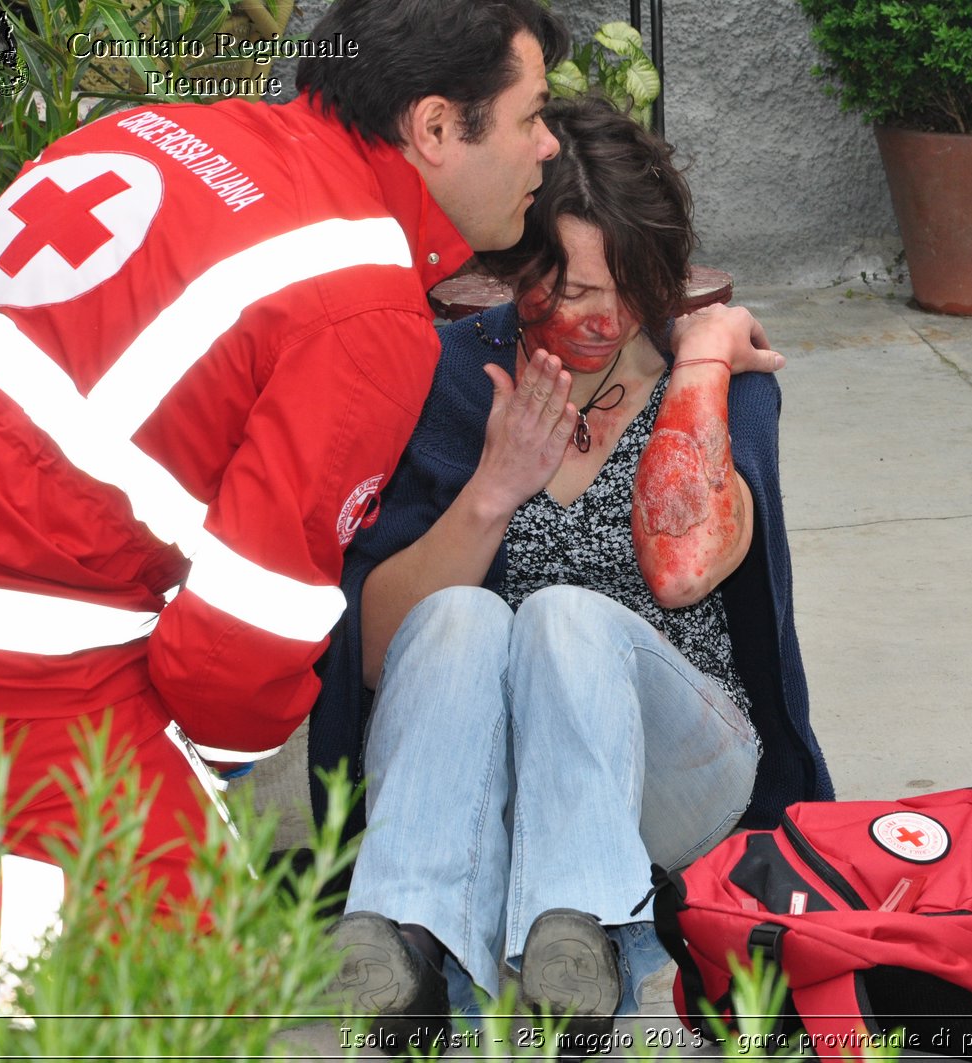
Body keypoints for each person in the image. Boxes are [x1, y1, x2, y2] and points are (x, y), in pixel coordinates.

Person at [0, 0, 568, 905]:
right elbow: (234, 654)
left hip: (2, 580)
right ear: (435, 127)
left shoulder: (162, 130)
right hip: (5, 635)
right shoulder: (361, 310)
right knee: (167, 982)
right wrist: (212, 778)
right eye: (532, 114)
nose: (547, 145)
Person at [305, 96, 833, 1048]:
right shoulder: (449, 377)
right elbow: (376, 653)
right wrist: (491, 491)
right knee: (463, 618)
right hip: (480, 780)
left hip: (679, 767)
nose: (598, 317)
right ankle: (404, 947)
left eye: (624, 285)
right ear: (513, 270)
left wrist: (705, 359)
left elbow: (683, 572)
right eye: (566, 286)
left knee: (562, 615)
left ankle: (579, 927)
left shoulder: (714, 380)